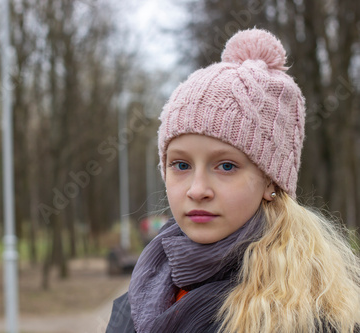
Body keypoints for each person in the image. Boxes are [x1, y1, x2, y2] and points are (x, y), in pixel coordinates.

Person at [106, 28, 360, 333]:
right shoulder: (137, 298)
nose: (197, 190)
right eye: (181, 164)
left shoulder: (307, 317)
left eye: (226, 166)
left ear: (271, 181)